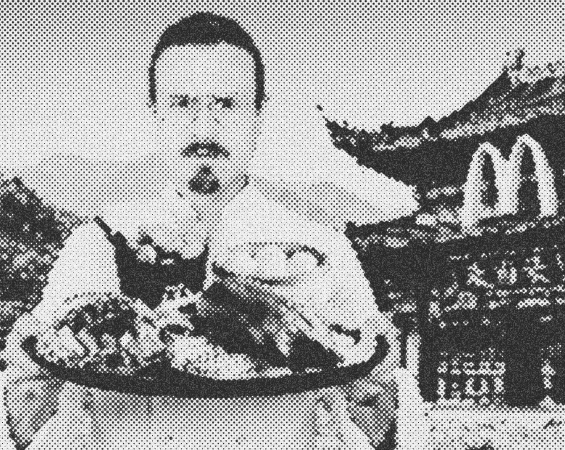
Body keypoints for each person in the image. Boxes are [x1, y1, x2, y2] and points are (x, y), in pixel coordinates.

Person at [2, 12, 399, 449]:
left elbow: (374, 411)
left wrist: (383, 388)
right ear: (155, 115)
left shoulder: (323, 249)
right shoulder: (97, 245)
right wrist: (24, 375)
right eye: (181, 104)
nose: (204, 128)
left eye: (226, 104)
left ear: (258, 115)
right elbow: (31, 412)